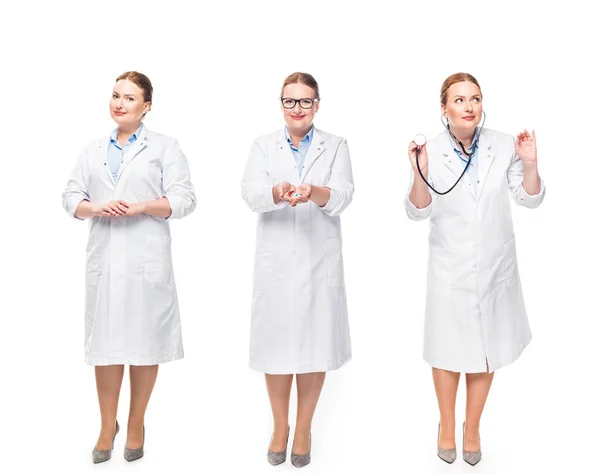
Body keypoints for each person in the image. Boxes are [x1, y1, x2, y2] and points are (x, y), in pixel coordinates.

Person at [404, 72, 545, 466]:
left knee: (487, 349)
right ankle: (446, 424)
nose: (469, 106)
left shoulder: (504, 144)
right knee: (448, 350)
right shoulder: (428, 149)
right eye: (460, 99)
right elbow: (417, 211)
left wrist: (530, 164)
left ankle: (472, 426)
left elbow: (529, 198)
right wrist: (418, 172)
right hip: (450, 268)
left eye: (476, 99)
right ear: (444, 108)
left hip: (495, 265)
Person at [62, 71, 196, 463]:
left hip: (144, 260)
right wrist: (95, 207)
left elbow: (185, 200)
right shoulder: (92, 149)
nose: (120, 103)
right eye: (116, 95)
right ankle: (108, 424)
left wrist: (141, 205)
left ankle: (135, 421)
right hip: (105, 258)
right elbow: (70, 195)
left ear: (147, 106)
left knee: (144, 343)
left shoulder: (165, 148)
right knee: (104, 346)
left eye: (130, 98)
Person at [241, 72, 354, 468]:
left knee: (315, 347)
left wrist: (313, 192)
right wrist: (276, 192)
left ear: (317, 105)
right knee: (275, 348)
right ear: (281, 104)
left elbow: (343, 196)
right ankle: (279, 426)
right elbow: (250, 193)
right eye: (290, 101)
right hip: (276, 262)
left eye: (305, 102)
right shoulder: (263, 145)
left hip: (318, 259)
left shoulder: (336, 146)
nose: (297, 109)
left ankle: (303, 427)